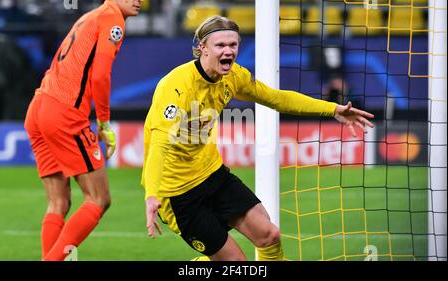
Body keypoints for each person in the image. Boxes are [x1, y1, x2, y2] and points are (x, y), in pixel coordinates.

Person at [142, 16, 374, 261]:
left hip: (211, 173)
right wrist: (152, 195)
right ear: (202, 48)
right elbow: (160, 142)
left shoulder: (233, 77)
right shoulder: (176, 86)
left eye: (233, 45)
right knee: (237, 264)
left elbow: (276, 98)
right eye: (220, 45)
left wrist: (333, 109)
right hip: (176, 193)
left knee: (269, 235)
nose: (228, 51)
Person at [24, 0, 143, 261]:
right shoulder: (113, 19)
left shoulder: (89, 16)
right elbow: (100, 76)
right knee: (99, 199)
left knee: (58, 202)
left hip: (38, 106)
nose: (139, 0)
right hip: (64, 113)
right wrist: (103, 122)